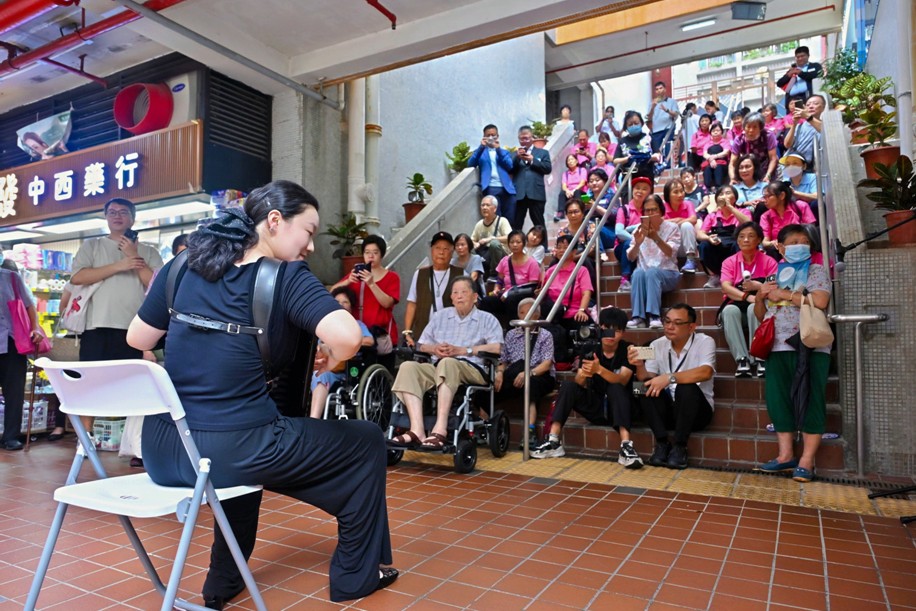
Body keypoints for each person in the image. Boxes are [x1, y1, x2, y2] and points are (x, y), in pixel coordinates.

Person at [126, 180, 396, 606]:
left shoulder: (181, 265)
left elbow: (137, 337)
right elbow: (347, 338)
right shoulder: (285, 276)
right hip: (235, 450)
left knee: (241, 462)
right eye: (308, 231)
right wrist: (331, 356)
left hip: (164, 450)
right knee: (365, 439)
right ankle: (354, 577)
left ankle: (223, 583)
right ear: (274, 221)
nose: (310, 246)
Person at [71, 197, 163, 433]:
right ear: (105, 217)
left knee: (130, 385)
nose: (117, 216)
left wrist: (133, 256)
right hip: (96, 326)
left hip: (135, 329)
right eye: (112, 212)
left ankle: (128, 439)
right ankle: (86, 438)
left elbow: (157, 287)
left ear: (133, 218)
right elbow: (78, 278)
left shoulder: (149, 251)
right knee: (90, 383)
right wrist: (121, 265)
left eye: (123, 212)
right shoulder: (92, 246)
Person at [754, 224, 830, 482]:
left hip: (809, 342)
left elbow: (821, 300)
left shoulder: (816, 270)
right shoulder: (772, 273)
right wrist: (760, 297)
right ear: (780, 247)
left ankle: (807, 461)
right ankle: (785, 455)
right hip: (776, 344)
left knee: (812, 399)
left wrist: (784, 294)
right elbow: (762, 314)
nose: (800, 245)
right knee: (778, 400)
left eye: (804, 241)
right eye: (794, 241)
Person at [389, 276, 504, 448]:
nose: (459, 296)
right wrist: (434, 349)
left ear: (475, 297)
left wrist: (464, 350)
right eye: (455, 293)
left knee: (448, 363)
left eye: (464, 292)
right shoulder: (440, 316)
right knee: (408, 367)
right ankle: (417, 429)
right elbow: (421, 345)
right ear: (451, 297)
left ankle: (440, 429)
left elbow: (497, 348)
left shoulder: (487, 319)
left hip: (473, 368)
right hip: (439, 367)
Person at [532, 307, 642, 467]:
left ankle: (626, 446)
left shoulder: (629, 349)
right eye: (606, 330)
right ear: (599, 329)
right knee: (568, 386)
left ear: (623, 332)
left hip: (621, 408)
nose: (610, 336)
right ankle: (554, 440)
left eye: (616, 331)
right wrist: (584, 374)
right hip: (597, 406)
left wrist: (599, 370)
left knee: (616, 387)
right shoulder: (590, 349)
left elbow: (623, 380)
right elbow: (579, 382)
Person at [628, 303, 716, 469]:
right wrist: (639, 366)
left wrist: (670, 378)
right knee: (640, 386)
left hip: (696, 412)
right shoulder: (656, 344)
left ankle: (680, 447)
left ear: (691, 327)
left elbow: (706, 372)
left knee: (686, 387)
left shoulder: (705, 341)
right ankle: (662, 443)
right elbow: (648, 378)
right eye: (667, 321)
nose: (669, 327)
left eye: (677, 323)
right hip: (669, 412)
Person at [331, 234, 400, 371]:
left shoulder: (392, 277)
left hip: (381, 335)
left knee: (382, 372)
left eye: (375, 253)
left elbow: (387, 303)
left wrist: (371, 283)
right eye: (367, 252)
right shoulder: (356, 275)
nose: (371, 256)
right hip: (359, 334)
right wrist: (348, 281)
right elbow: (332, 293)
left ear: (381, 255)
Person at [720, 221, 778, 378]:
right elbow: (726, 287)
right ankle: (742, 360)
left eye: (751, 236)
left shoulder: (769, 261)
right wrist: (748, 296)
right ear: (737, 241)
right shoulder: (729, 262)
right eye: (741, 236)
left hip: (761, 305)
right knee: (729, 311)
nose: (745, 240)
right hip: (736, 304)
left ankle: (760, 358)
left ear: (759, 240)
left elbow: (774, 287)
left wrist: (758, 287)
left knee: (755, 308)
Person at [494, 298, 555, 449]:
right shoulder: (511, 335)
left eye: (528, 312)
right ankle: (488, 428)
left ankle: (530, 430)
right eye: (521, 313)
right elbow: (503, 360)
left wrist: (528, 373)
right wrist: (500, 372)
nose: (524, 316)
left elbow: (546, 364)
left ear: (537, 315)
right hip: (515, 373)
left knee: (530, 384)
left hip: (539, 374)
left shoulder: (545, 335)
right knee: (489, 388)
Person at [309, 287, 375, 418]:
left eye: (345, 302)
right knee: (317, 374)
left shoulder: (357, 325)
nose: (341, 304)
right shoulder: (325, 325)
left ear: (351, 306)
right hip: (325, 367)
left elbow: (370, 341)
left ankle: (314, 418)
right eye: (337, 302)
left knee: (321, 375)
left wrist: (345, 342)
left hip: (346, 371)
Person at [0, 260, 42, 451]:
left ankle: (10, 437)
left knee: (14, 391)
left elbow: (29, 305)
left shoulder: (11, 277)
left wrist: (35, 328)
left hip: (12, 341)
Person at [626, 195, 680, 330]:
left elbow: (671, 252)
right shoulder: (638, 230)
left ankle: (654, 316)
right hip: (645, 275)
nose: (650, 213)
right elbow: (631, 257)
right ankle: (638, 317)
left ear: (661, 210)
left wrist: (656, 237)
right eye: (647, 210)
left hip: (668, 273)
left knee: (651, 272)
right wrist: (637, 244)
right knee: (638, 273)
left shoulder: (672, 227)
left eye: (654, 209)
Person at [404, 232, 464, 348]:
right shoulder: (420, 274)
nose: (441, 252)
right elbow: (412, 304)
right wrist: (407, 332)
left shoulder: (461, 274)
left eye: (446, 249)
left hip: (451, 337)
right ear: (431, 250)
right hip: (423, 335)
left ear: (452, 252)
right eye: (437, 248)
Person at [697, 186, 751, 289]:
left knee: (740, 244)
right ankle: (715, 276)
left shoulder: (743, 212)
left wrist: (730, 207)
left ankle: (739, 276)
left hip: (735, 244)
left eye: (727, 193)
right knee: (703, 245)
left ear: (735, 198)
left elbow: (749, 224)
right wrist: (709, 238)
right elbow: (700, 234)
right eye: (721, 194)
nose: (724, 196)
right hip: (719, 245)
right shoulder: (712, 216)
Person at [484, 230, 542, 324]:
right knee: (486, 301)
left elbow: (532, 287)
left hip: (523, 297)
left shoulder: (532, 263)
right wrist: (496, 289)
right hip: (505, 297)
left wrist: (510, 294)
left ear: (524, 244)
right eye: (512, 242)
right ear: (508, 244)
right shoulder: (505, 261)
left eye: (518, 242)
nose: (515, 245)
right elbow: (499, 280)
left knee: (511, 300)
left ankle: (512, 328)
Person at [542, 234, 593, 334]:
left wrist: (582, 310)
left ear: (574, 251)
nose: (561, 250)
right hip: (554, 315)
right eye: (559, 247)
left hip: (575, 313)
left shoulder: (581, 271)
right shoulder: (550, 271)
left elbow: (586, 294)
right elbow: (543, 295)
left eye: (565, 247)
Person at [467, 124, 516, 222]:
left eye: (493, 135)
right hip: (491, 188)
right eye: (488, 135)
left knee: (510, 219)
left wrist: (498, 150)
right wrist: (481, 147)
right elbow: (471, 164)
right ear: (484, 137)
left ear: (497, 136)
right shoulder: (480, 152)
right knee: (495, 219)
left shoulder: (504, 152)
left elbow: (510, 166)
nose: (490, 137)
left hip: (507, 189)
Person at [613, 176, 653, 292]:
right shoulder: (624, 209)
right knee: (628, 243)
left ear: (649, 192)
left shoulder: (650, 210)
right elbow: (619, 232)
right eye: (637, 188)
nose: (640, 191)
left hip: (645, 248)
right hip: (623, 248)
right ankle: (625, 279)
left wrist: (629, 229)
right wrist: (636, 240)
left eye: (644, 189)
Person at [511, 125, 552, 230]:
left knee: (539, 224)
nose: (524, 141)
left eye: (526, 138)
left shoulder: (543, 153)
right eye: (521, 139)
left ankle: (543, 241)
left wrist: (532, 160)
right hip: (519, 193)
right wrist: (517, 158)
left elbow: (548, 169)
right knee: (516, 225)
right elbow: (510, 170)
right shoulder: (514, 154)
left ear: (532, 137)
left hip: (536, 192)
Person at [760, 181, 816, 255]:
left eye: (768, 196)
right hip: (780, 251)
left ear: (782, 195)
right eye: (764, 197)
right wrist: (773, 243)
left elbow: (811, 233)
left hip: (802, 248)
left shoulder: (801, 206)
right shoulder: (765, 216)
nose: (764, 200)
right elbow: (765, 242)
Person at [612, 111, 660, 186]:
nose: (633, 126)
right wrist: (628, 158)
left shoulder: (649, 138)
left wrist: (648, 157)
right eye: (630, 124)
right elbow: (615, 161)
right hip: (627, 178)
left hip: (646, 177)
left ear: (641, 123)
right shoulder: (622, 141)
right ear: (626, 127)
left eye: (636, 123)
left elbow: (658, 155)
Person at [729, 113, 778, 186]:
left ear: (760, 128)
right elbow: (732, 163)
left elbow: (773, 159)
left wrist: (768, 176)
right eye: (748, 127)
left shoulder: (768, 135)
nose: (751, 130)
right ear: (744, 127)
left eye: (755, 127)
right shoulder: (739, 139)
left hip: (767, 167)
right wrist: (733, 178)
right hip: (749, 169)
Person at [663, 179, 700, 274]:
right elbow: (660, 223)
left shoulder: (688, 204)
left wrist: (677, 221)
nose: (680, 195)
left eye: (681, 191)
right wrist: (677, 220)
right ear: (668, 195)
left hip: (685, 247)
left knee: (687, 225)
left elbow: (693, 219)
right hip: (670, 248)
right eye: (676, 192)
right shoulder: (662, 207)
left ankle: (691, 260)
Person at [471, 195, 512, 276]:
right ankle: (477, 272)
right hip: (485, 255)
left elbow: (509, 237)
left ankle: (495, 274)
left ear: (495, 208)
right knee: (468, 246)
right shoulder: (479, 224)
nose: (484, 207)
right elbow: (472, 239)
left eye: (487, 205)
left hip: (501, 255)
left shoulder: (502, 221)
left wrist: (490, 239)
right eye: (482, 205)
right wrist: (475, 243)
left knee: (494, 243)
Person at [783, 94, 826, 168]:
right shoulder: (799, 126)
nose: (811, 106)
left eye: (815, 104)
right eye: (808, 105)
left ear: (823, 107)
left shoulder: (825, 126)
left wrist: (807, 116)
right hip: (792, 165)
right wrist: (794, 124)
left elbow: (825, 131)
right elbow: (787, 144)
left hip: (812, 167)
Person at [776, 46, 823, 112]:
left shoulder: (815, 66)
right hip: (792, 100)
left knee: (807, 116)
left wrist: (800, 73)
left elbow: (818, 75)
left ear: (808, 55)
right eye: (798, 57)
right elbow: (779, 83)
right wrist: (788, 75)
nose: (800, 58)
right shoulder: (792, 69)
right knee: (794, 117)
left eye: (802, 56)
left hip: (807, 97)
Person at [780, 152, 819, 220]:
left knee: (816, 204)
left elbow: (817, 196)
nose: (791, 167)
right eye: (787, 164)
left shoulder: (812, 177)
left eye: (795, 163)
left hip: (810, 210)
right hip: (793, 213)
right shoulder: (784, 182)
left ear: (804, 166)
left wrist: (794, 193)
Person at [646, 81, 680, 159]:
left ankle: (668, 164)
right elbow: (649, 118)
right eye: (657, 89)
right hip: (656, 131)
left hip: (668, 129)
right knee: (657, 153)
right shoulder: (652, 103)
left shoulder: (672, 101)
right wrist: (653, 107)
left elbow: (676, 114)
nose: (659, 90)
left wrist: (666, 110)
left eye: (661, 88)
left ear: (665, 89)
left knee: (668, 149)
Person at [733, 154, 767, 219]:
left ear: (755, 168)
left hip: (761, 221)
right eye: (741, 168)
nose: (744, 170)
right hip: (740, 221)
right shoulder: (733, 188)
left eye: (747, 167)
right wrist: (745, 203)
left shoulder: (765, 186)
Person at [558, 154, 587, 222]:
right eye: (568, 160)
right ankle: (561, 212)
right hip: (570, 193)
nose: (570, 161)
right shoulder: (565, 174)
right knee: (562, 193)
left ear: (576, 161)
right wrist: (567, 191)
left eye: (572, 159)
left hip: (584, 196)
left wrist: (574, 190)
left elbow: (582, 183)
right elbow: (564, 186)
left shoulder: (582, 170)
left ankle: (580, 211)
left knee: (577, 192)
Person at [700, 122, 729, 190]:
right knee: (707, 169)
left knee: (718, 168)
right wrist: (711, 160)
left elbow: (726, 152)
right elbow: (705, 154)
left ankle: (719, 188)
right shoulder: (708, 143)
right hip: (709, 163)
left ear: (721, 132)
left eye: (718, 130)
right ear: (711, 133)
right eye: (713, 131)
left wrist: (715, 156)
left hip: (722, 163)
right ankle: (707, 189)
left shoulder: (725, 142)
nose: (715, 132)